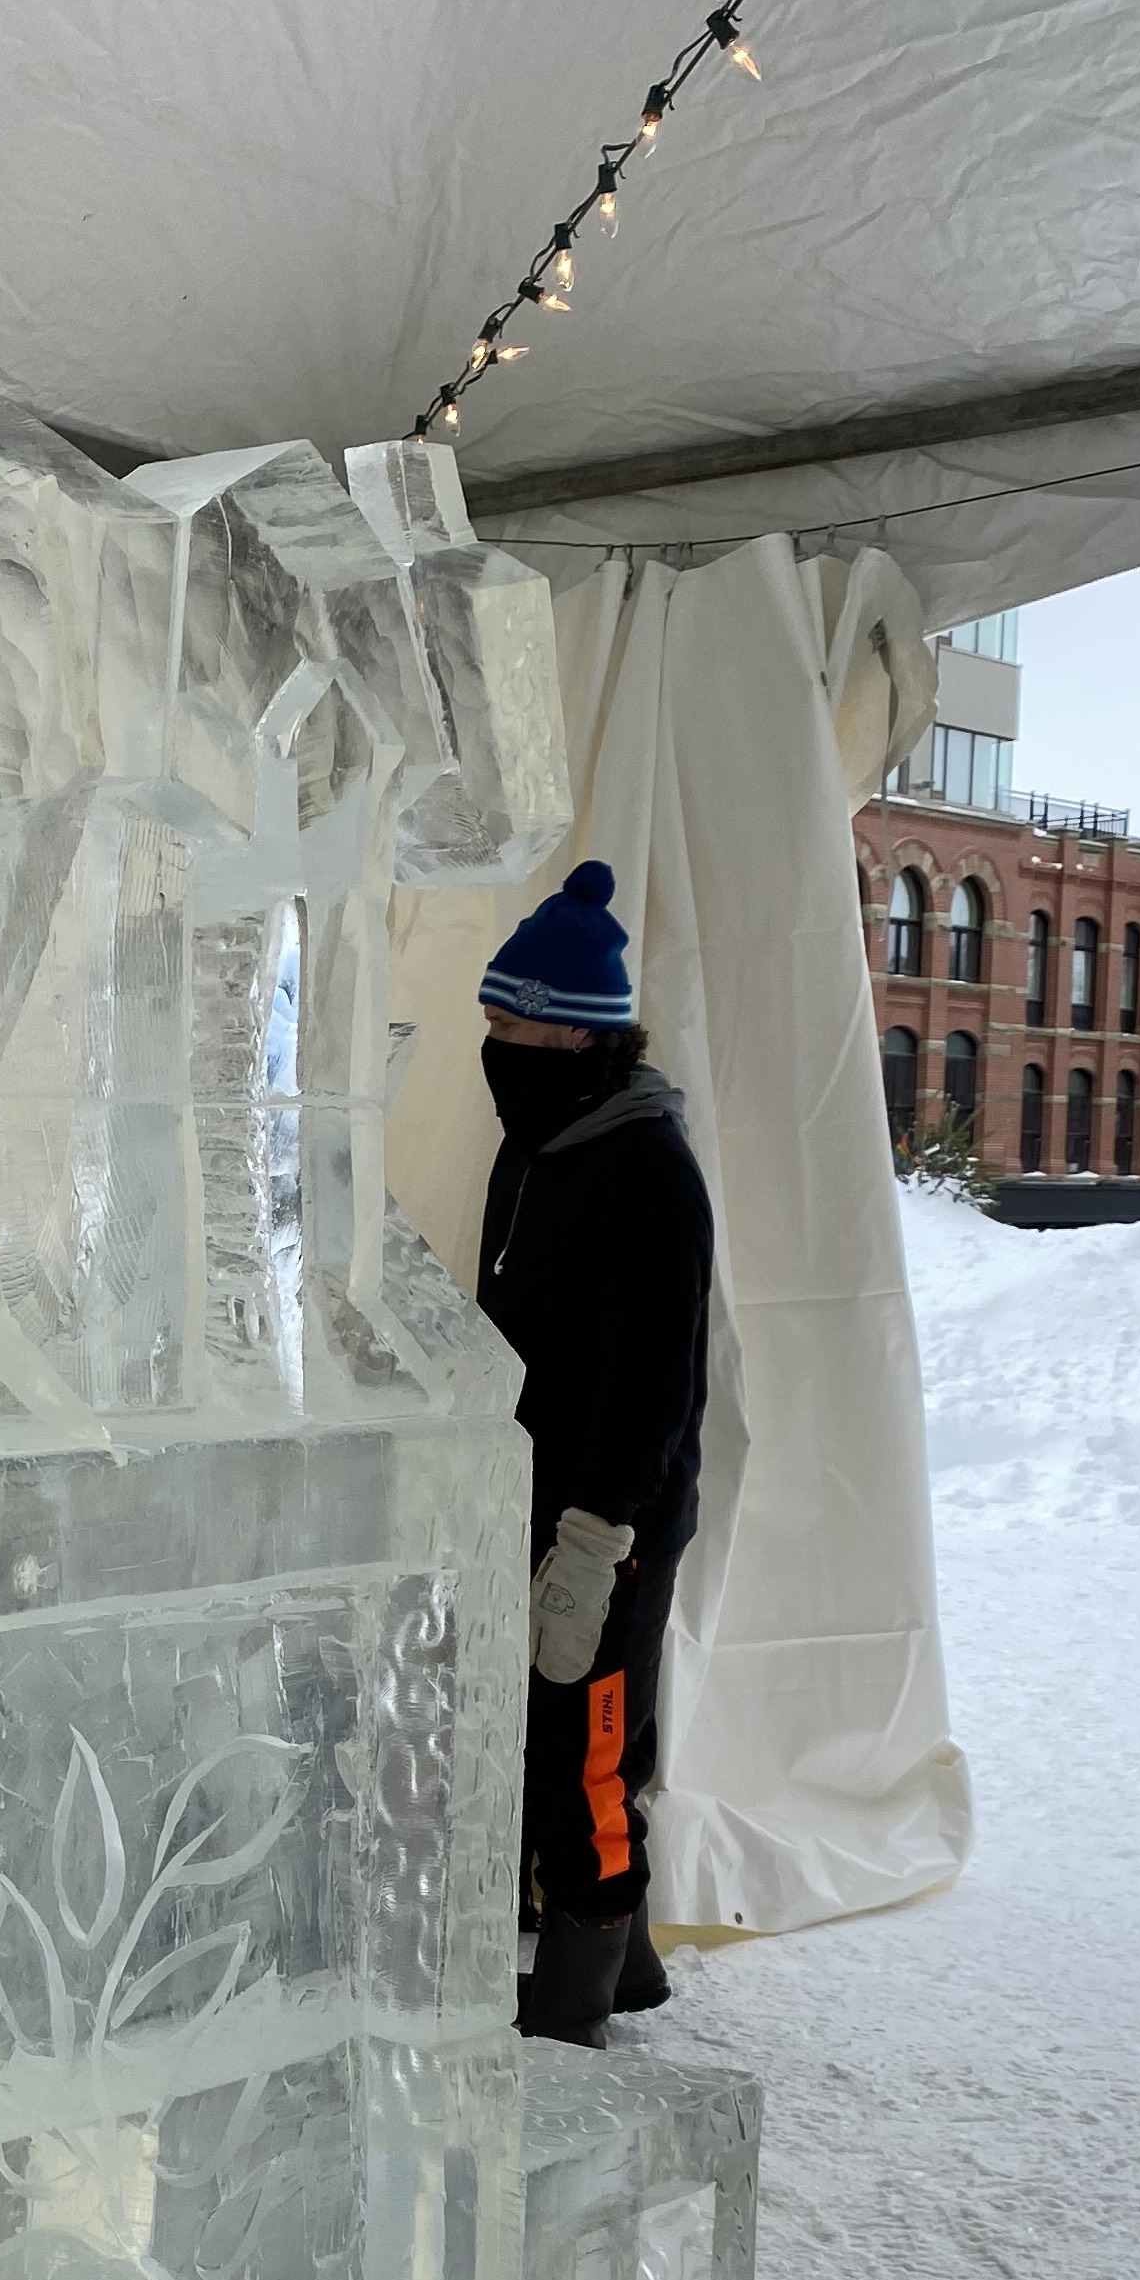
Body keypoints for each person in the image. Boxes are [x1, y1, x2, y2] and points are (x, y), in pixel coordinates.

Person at [473, 862, 714, 2050]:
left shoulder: (647, 1172)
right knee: (563, 1734)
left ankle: (579, 1987)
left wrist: (597, 1531)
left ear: (571, 1030)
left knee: (591, 1744)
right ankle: (629, 1955)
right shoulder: (540, 1144)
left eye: (506, 1023)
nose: (492, 1045)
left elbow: (655, 1385)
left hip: (607, 1517)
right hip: (535, 1491)